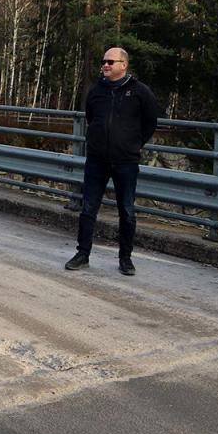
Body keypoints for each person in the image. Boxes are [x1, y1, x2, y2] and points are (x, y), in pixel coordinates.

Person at [65, 47, 160, 276]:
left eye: (110, 61)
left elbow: (151, 122)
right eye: (103, 61)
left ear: (123, 65)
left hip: (126, 161)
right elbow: (91, 118)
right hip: (97, 160)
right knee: (88, 208)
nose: (105, 65)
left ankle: (125, 258)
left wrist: (134, 144)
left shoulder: (139, 92)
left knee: (126, 211)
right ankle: (82, 254)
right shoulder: (96, 91)